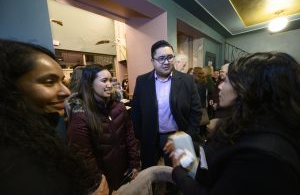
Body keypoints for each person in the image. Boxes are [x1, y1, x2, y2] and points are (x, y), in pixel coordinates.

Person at [171, 52, 300, 195]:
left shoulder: (262, 156)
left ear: (248, 87)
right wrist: (190, 145)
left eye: (226, 80)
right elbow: (226, 149)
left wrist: (178, 172)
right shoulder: (248, 122)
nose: (219, 86)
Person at [0, 39, 97, 195]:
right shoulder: (12, 163)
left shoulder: (34, 135)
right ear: (8, 85)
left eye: (63, 82)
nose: (66, 92)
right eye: (49, 82)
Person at [66, 64, 140, 193]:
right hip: (102, 178)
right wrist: (98, 180)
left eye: (111, 80)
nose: (110, 85)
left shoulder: (119, 107)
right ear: (89, 84)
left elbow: (130, 136)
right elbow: (84, 156)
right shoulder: (80, 114)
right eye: (104, 80)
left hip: (124, 170)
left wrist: (134, 163)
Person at [131, 40, 201, 169]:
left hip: (177, 136)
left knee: (178, 173)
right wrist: (140, 135)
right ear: (153, 61)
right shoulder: (142, 81)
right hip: (150, 135)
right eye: (161, 58)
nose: (166, 62)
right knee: (150, 171)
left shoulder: (187, 80)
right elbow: (136, 111)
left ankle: (172, 189)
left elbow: (196, 111)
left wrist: (189, 135)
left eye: (170, 57)